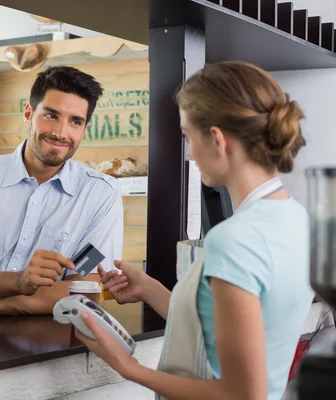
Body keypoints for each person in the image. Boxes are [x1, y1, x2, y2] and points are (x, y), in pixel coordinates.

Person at [76, 61, 315, 400]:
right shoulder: (295, 218)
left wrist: (126, 366)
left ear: (217, 139)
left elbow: (239, 394)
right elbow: (234, 328)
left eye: (187, 136)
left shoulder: (234, 239)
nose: (188, 153)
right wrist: (149, 289)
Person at [0, 66, 124, 316]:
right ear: (28, 113)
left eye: (75, 121)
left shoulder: (99, 195)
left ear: (84, 129)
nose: (61, 133)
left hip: (52, 343)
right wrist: (19, 282)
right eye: (51, 115)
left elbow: (85, 289)